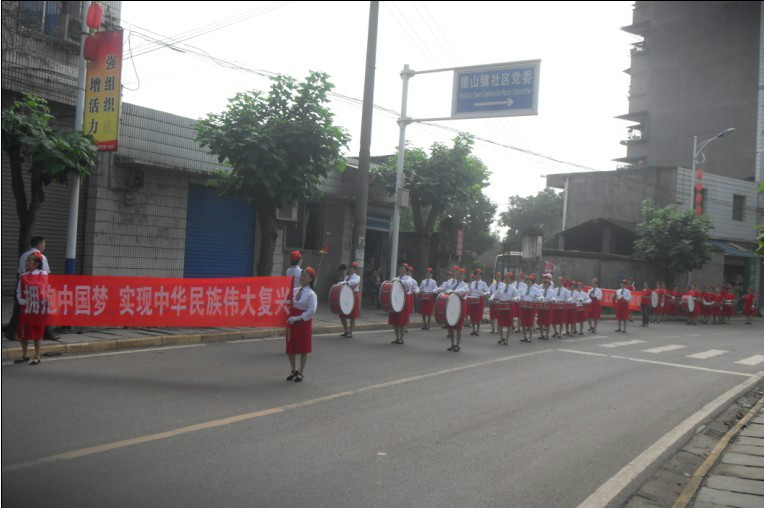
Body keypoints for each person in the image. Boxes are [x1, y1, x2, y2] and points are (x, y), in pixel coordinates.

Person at [5, 236, 53, 342]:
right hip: (36, 288)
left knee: (19, 310)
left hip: (24, 286)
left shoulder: (23, 256)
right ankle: (44, 333)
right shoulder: (41, 257)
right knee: (40, 310)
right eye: (44, 244)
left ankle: (12, 331)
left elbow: (19, 273)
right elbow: (45, 275)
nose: (44, 246)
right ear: (39, 244)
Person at [14, 252, 48, 365]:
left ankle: (37, 356)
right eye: (27, 260)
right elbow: (19, 291)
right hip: (26, 308)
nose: (27, 262)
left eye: (29, 260)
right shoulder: (23, 276)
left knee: (37, 332)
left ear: (36, 263)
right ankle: (24, 355)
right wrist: (21, 300)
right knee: (23, 332)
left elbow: (46, 290)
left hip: (38, 308)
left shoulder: (43, 274)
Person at [286, 267, 318, 382]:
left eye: (304, 276)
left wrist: (298, 318)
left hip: (303, 322)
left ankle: (301, 372)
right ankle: (293, 370)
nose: (302, 278)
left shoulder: (311, 294)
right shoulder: (295, 290)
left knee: (302, 347)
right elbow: (288, 301)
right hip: (291, 321)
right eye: (301, 275)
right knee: (291, 346)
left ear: (310, 279)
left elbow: (311, 310)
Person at [444, 268, 468, 352]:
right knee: (450, 325)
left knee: (458, 327)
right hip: (452, 305)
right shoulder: (452, 284)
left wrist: (453, 291)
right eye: (458, 274)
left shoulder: (464, 285)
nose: (459, 275)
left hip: (460, 305)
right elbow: (446, 290)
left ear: (464, 276)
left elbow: (463, 291)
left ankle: (457, 345)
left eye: (461, 274)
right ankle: (452, 344)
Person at [491, 272, 518, 345]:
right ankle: (501, 337)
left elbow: (517, 296)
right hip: (501, 305)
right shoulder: (501, 287)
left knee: (509, 323)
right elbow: (495, 293)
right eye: (506, 278)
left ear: (511, 280)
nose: (506, 279)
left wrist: (514, 299)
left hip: (509, 305)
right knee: (500, 323)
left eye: (508, 278)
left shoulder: (513, 288)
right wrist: (492, 297)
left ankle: (507, 339)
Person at [388, 265, 410, 344]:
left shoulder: (408, 278)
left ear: (405, 271)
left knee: (402, 320)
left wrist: (400, 281)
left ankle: (401, 338)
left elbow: (408, 284)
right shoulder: (395, 278)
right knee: (395, 320)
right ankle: (397, 337)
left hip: (404, 299)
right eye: (400, 269)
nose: (401, 270)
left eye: (403, 269)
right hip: (395, 300)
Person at [339, 262, 361, 338]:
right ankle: (346, 330)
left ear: (355, 270)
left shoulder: (357, 277)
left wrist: (346, 282)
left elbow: (354, 282)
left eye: (352, 268)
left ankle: (350, 332)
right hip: (346, 296)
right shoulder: (346, 277)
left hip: (354, 295)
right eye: (349, 268)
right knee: (342, 315)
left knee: (352, 316)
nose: (350, 269)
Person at [518, 274, 541, 342]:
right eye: (527, 280)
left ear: (532, 282)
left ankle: (530, 337)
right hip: (523, 306)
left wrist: (538, 299)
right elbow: (520, 296)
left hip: (531, 306)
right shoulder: (523, 289)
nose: (528, 282)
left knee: (530, 322)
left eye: (530, 280)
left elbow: (540, 296)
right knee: (523, 322)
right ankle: (524, 336)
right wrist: (518, 298)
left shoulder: (535, 289)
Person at [466, 269, 489, 336]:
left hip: (480, 299)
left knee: (478, 315)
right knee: (472, 315)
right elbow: (469, 291)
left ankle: (478, 330)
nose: (477, 276)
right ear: (474, 275)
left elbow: (487, 291)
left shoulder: (483, 283)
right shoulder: (472, 283)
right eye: (476, 274)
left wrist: (484, 294)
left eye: (479, 274)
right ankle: (473, 329)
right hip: (472, 300)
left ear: (481, 276)